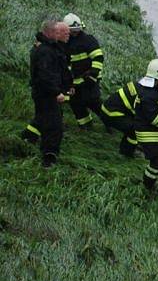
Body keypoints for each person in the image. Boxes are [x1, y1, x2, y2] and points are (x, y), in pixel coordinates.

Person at [22, 19, 73, 167]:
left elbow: (59, 70)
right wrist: (57, 93)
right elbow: (46, 76)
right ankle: (49, 157)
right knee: (54, 126)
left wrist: (67, 85)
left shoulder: (51, 48)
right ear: (50, 32)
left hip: (46, 93)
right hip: (46, 94)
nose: (60, 35)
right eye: (58, 32)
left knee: (43, 119)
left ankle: (27, 138)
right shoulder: (45, 51)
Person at [133, 58, 158, 190]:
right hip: (148, 133)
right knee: (157, 161)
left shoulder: (153, 90)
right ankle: (148, 185)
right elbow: (156, 120)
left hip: (153, 132)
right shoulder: (149, 95)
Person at [63, 13, 105, 128]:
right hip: (75, 81)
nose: (75, 32)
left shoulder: (88, 40)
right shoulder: (65, 42)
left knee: (94, 102)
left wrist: (93, 75)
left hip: (90, 79)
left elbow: (98, 57)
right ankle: (86, 127)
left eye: (77, 30)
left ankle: (111, 123)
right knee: (76, 104)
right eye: (73, 30)